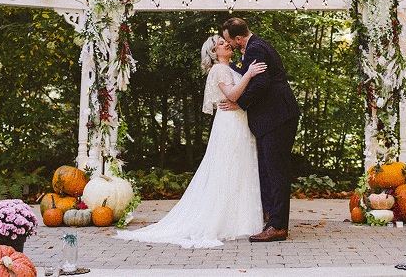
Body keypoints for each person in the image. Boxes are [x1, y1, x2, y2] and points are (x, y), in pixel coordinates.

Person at [116, 35, 266, 248]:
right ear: (214, 52)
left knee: (239, 167)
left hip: (237, 121)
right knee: (229, 167)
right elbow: (232, 95)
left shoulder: (229, 67)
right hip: (231, 123)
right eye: (221, 44)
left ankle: (240, 222)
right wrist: (249, 73)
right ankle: (228, 222)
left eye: (225, 42)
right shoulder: (219, 69)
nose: (227, 44)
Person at [220, 17, 300, 242]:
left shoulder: (255, 48)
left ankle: (278, 227)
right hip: (271, 118)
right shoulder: (254, 46)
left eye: (229, 40)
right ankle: (271, 220)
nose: (229, 44)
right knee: (268, 171)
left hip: (277, 117)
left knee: (276, 173)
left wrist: (240, 103)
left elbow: (262, 83)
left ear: (238, 38)